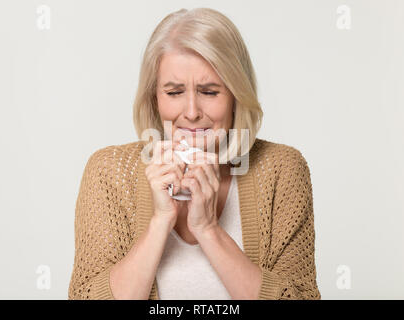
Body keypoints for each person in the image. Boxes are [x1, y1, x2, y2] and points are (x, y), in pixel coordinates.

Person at [68, 7, 321, 300]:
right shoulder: (109, 172)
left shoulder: (281, 170)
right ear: (154, 99)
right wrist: (161, 220)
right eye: (174, 92)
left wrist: (208, 229)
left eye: (210, 91)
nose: (191, 113)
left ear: (237, 96)